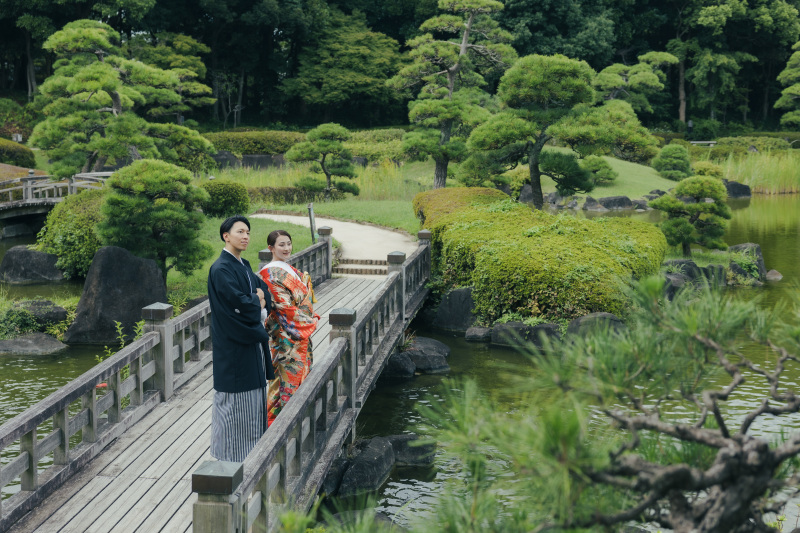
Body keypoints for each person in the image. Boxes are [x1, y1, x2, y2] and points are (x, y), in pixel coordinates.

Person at [207, 215, 275, 462]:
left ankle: (253, 457)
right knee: (234, 407)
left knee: (253, 405)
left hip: (251, 342)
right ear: (226, 236)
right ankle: (230, 461)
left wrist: (259, 297)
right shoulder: (221, 269)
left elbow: (263, 288)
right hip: (234, 345)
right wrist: (257, 300)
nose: (245, 236)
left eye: (247, 232)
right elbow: (241, 303)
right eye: (240, 232)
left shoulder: (243, 264)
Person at [259, 229, 320, 426]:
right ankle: (277, 429)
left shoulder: (288, 269)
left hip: (300, 337)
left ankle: (297, 425)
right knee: (284, 382)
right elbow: (285, 309)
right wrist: (311, 322)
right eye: (281, 245)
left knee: (300, 381)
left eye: (288, 243)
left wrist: (309, 318)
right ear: (271, 248)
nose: (286, 248)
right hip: (285, 338)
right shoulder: (269, 274)